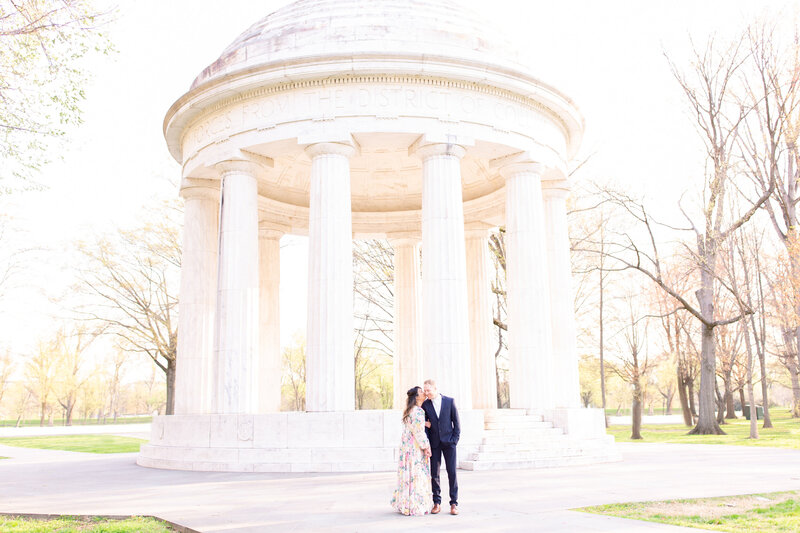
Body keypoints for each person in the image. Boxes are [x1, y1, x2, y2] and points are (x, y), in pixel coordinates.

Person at [390, 386, 433, 516]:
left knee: (408, 474)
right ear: (416, 397)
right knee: (416, 474)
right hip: (414, 446)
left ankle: (406, 504)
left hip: (406, 446)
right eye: (421, 392)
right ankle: (415, 504)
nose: (424, 393)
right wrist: (426, 447)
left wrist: (424, 423)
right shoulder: (419, 411)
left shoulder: (409, 410)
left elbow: (413, 426)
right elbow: (419, 432)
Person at [421, 379, 460, 515]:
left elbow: (456, 422)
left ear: (435, 388)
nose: (426, 393)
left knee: (452, 473)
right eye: (425, 390)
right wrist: (427, 444)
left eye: (428, 390)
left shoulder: (450, 401)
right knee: (434, 474)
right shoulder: (425, 405)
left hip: (449, 443)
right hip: (434, 444)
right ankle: (436, 502)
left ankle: (454, 503)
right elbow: (424, 425)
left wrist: (454, 440)